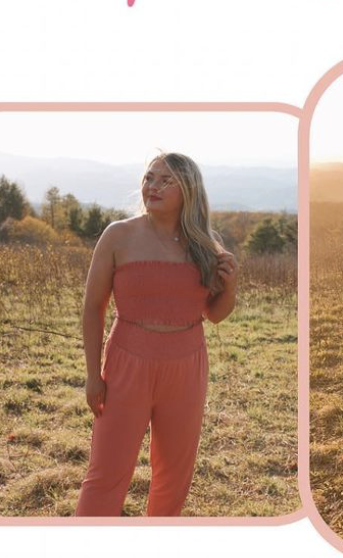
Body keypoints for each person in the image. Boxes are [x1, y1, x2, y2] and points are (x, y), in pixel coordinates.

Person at [75, 152, 239, 516]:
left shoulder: (204, 245)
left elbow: (214, 315)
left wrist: (229, 288)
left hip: (186, 367)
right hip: (125, 365)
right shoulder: (119, 235)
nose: (153, 186)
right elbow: (92, 307)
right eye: (149, 177)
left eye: (166, 181)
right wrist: (92, 376)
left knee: (174, 477)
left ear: (189, 190)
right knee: (106, 475)